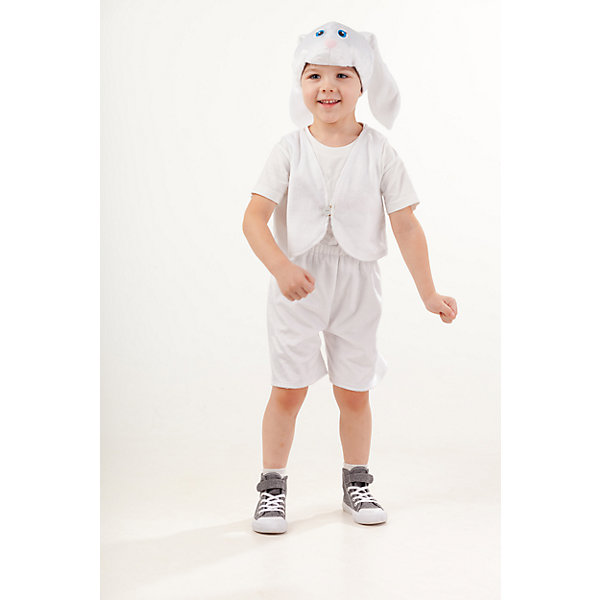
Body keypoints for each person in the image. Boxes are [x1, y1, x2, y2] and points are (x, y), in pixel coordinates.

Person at [242, 21, 458, 535]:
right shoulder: (289, 150)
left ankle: (356, 481)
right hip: (297, 285)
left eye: (342, 75)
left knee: (354, 391)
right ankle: (272, 487)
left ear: (364, 84)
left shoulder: (379, 152)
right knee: (288, 390)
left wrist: (428, 292)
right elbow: (253, 218)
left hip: (358, 285)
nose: (328, 87)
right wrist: (281, 266)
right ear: (301, 84)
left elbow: (406, 224)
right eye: (315, 75)